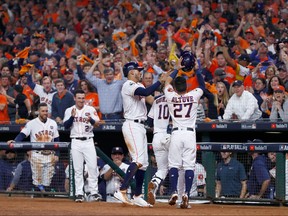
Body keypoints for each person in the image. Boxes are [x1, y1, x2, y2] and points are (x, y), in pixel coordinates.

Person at [113, 61, 165, 207]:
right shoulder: (128, 84)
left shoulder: (139, 85)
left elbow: (151, 99)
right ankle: (121, 189)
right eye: (138, 70)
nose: (140, 72)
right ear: (130, 72)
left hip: (140, 126)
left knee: (143, 164)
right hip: (132, 124)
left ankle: (137, 195)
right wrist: (159, 81)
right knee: (137, 159)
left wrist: (168, 80)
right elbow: (146, 93)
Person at [163, 51, 204, 209]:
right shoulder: (193, 95)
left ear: (175, 87)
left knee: (173, 164)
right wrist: (197, 69)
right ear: (186, 87)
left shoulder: (170, 95)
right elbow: (202, 86)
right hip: (189, 133)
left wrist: (176, 68)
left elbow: (166, 82)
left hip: (176, 132)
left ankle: (174, 191)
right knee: (188, 166)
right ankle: (186, 194)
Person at [7, 103, 59, 192]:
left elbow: (57, 139)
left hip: (50, 155)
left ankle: (44, 198)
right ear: (38, 112)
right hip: (37, 154)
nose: (45, 113)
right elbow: (22, 134)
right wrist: (15, 141)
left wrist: (57, 154)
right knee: (37, 181)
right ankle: (35, 198)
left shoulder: (53, 123)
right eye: (43, 111)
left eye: (46, 111)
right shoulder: (31, 123)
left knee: (47, 182)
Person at [63, 89, 101, 203]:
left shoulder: (90, 109)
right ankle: (79, 193)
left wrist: (91, 121)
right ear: (75, 98)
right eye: (79, 98)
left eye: (82, 98)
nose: (81, 100)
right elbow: (65, 126)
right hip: (75, 141)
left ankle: (94, 192)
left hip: (89, 140)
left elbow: (98, 124)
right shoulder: (69, 110)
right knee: (78, 169)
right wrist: (72, 117)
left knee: (92, 167)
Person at [146, 84, 171, 205]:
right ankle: (178, 193)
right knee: (179, 165)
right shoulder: (174, 98)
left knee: (162, 169)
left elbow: (149, 122)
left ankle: (155, 182)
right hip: (169, 136)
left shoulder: (156, 101)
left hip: (156, 136)